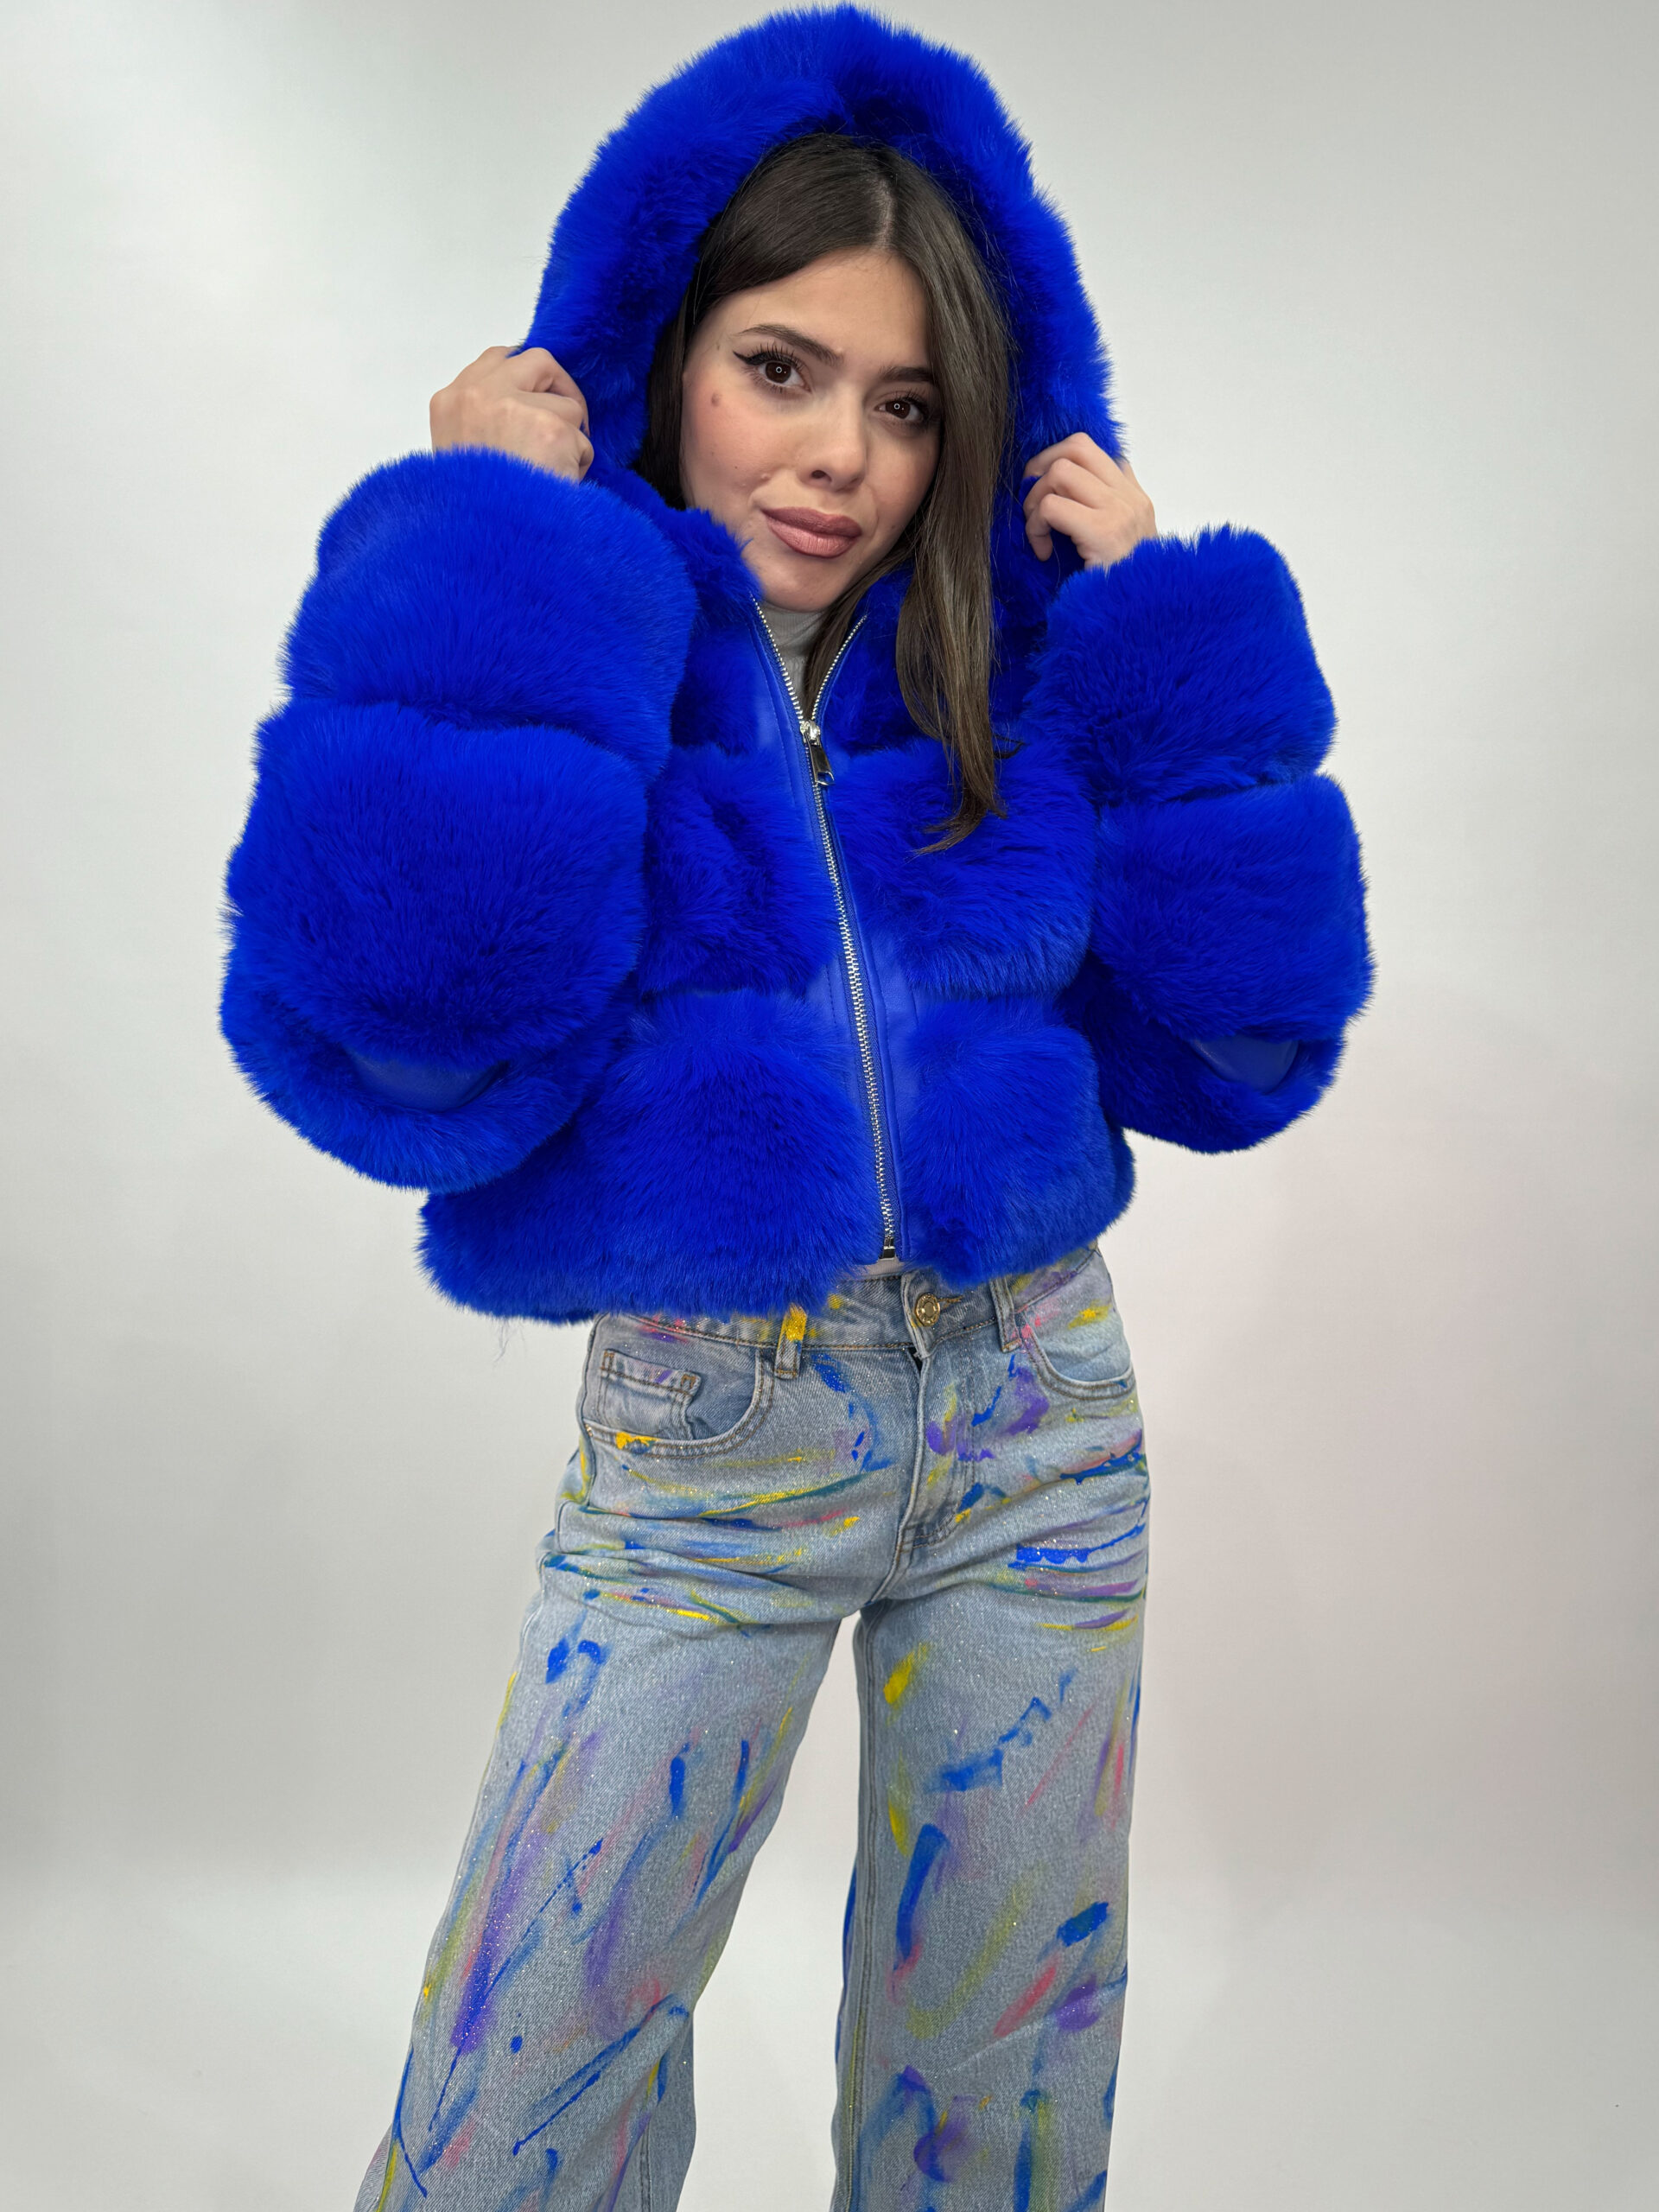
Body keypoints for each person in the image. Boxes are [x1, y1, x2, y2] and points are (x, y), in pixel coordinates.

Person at [219, 10, 1371, 2208]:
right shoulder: (570, 650)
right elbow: (405, 1038)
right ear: (666, 359)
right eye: (782, 368)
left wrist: (1163, 640)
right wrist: (493, 541)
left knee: (998, 2097)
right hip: (707, 1452)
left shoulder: (1008, 674)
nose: (843, 455)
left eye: (907, 403)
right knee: (521, 2098)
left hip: (1040, 1428)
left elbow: (1245, 1044)